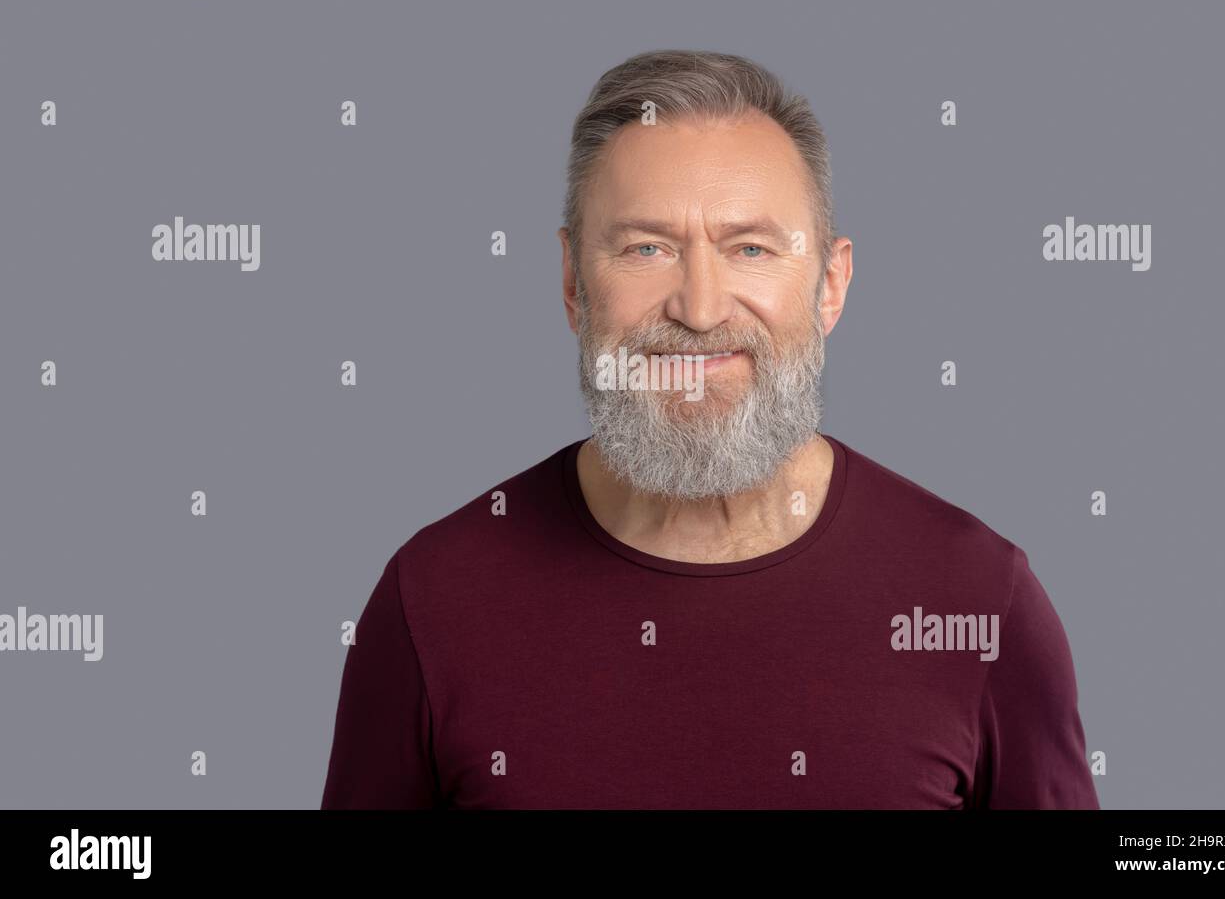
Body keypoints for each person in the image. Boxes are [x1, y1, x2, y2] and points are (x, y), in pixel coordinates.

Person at [320, 49, 1099, 809]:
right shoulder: (433, 598)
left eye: (750, 249)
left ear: (830, 286)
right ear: (571, 284)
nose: (699, 308)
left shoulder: (976, 602)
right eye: (646, 248)